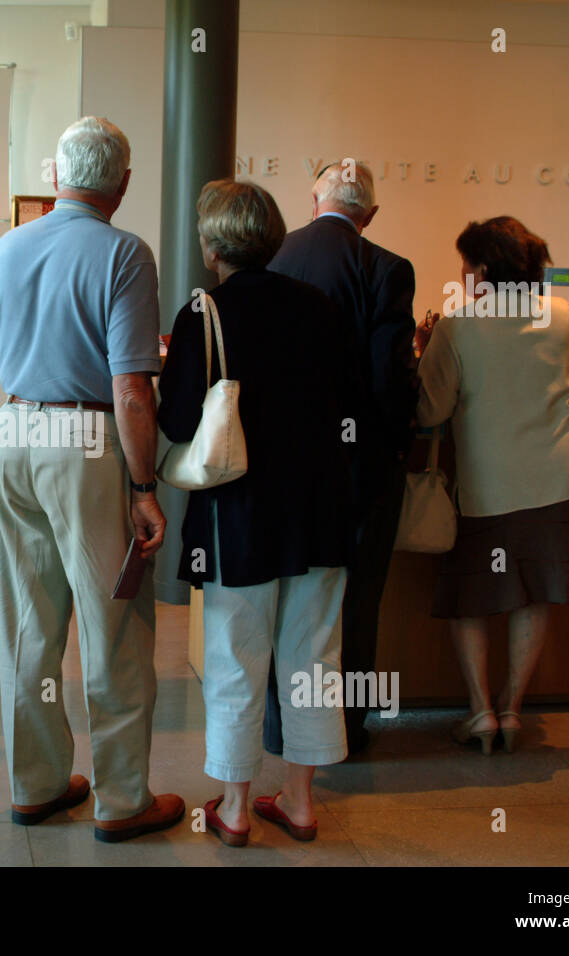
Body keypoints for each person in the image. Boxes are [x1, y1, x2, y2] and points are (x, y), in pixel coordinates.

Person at [0, 116, 184, 843]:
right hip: (84, 442)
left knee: (29, 621)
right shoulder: (126, 254)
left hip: (15, 433)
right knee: (114, 623)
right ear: (122, 184)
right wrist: (145, 485)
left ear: (58, 176)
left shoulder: (8, 246)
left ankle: (35, 784)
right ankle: (122, 799)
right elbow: (131, 390)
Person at [158, 180, 361, 845]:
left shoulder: (203, 313)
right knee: (314, 655)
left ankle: (237, 806)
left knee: (236, 655)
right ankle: (300, 801)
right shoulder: (321, 307)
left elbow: (182, 417)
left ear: (213, 241)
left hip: (238, 511)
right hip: (321, 506)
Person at [417, 216, 569, 754]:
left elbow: (431, 407)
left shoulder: (459, 326)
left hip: (489, 487)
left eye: (464, 267)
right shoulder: (563, 314)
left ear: (481, 269)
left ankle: (480, 712)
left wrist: (430, 348)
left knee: (471, 598)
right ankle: (512, 711)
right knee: (535, 595)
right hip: (561, 480)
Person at [264, 160, 418, 755]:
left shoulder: (276, 256)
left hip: (282, 464)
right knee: (357, 598)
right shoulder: (386, 268)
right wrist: (396, 445)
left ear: (312, 200)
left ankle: (279, 726)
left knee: (285, 591)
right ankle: (345, 729)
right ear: (370, 214)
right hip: (358, 468)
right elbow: (391, 375)